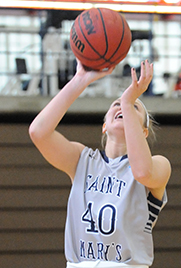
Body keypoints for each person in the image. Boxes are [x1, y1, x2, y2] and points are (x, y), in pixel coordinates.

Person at [29, 59, 171, 268]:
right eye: (117, 105)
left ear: (143, 132)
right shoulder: (82, 159)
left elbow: (142, 172)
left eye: (134, 108)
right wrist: (80, 80)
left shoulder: (159, 164)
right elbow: (38, 132)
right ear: (105, 126)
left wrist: (127, 100)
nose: (124, 106)